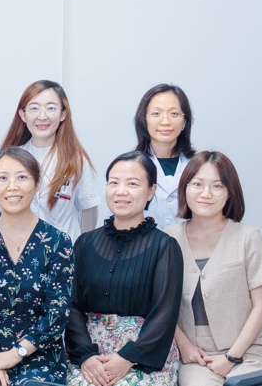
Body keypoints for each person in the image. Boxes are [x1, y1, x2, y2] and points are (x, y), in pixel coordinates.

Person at [66, 151, 183, 386]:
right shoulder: (85, 243)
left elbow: (165, 313)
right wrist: (86, 356)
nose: (121, 191)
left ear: (150, 191)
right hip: (90, 354)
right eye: (114, 183)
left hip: (142, 356)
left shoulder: (164, 246)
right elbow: (71, 305)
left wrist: (128, 358)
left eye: (132, 184)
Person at [163, 151, 262, 386]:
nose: (206, 193)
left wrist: (231, 357)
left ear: (229, 193)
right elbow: (161, 306)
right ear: (185, 188)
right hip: (195, 357)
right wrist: (185, 346)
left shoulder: (247, 237)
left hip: (246, 352)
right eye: (197, 184)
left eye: (217, 186)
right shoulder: (168, 240)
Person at [0, 148, 74, 386]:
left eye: (22, 177)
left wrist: (15, 355)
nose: (12, 186)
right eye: (3, 178)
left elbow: (57, 313)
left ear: (36, 184)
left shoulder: (58, 243)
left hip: (38, 355)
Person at [0, 80, 99, 241]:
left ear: (63, 114)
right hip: (19, 249)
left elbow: (89, 210)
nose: (42, 116)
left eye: (51, 108)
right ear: (23, 115)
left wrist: (82, 249)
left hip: (64, 251)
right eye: (34, 108)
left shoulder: (77, 160)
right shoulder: (10, 159)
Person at [133, 84, 196, 230]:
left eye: (174, 114)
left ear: (184, 121)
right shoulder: (129, 166)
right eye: (156, 114)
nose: (165, 121)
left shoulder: (199, 167)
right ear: (144, 120)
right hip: (142, 244)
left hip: (189, 244)